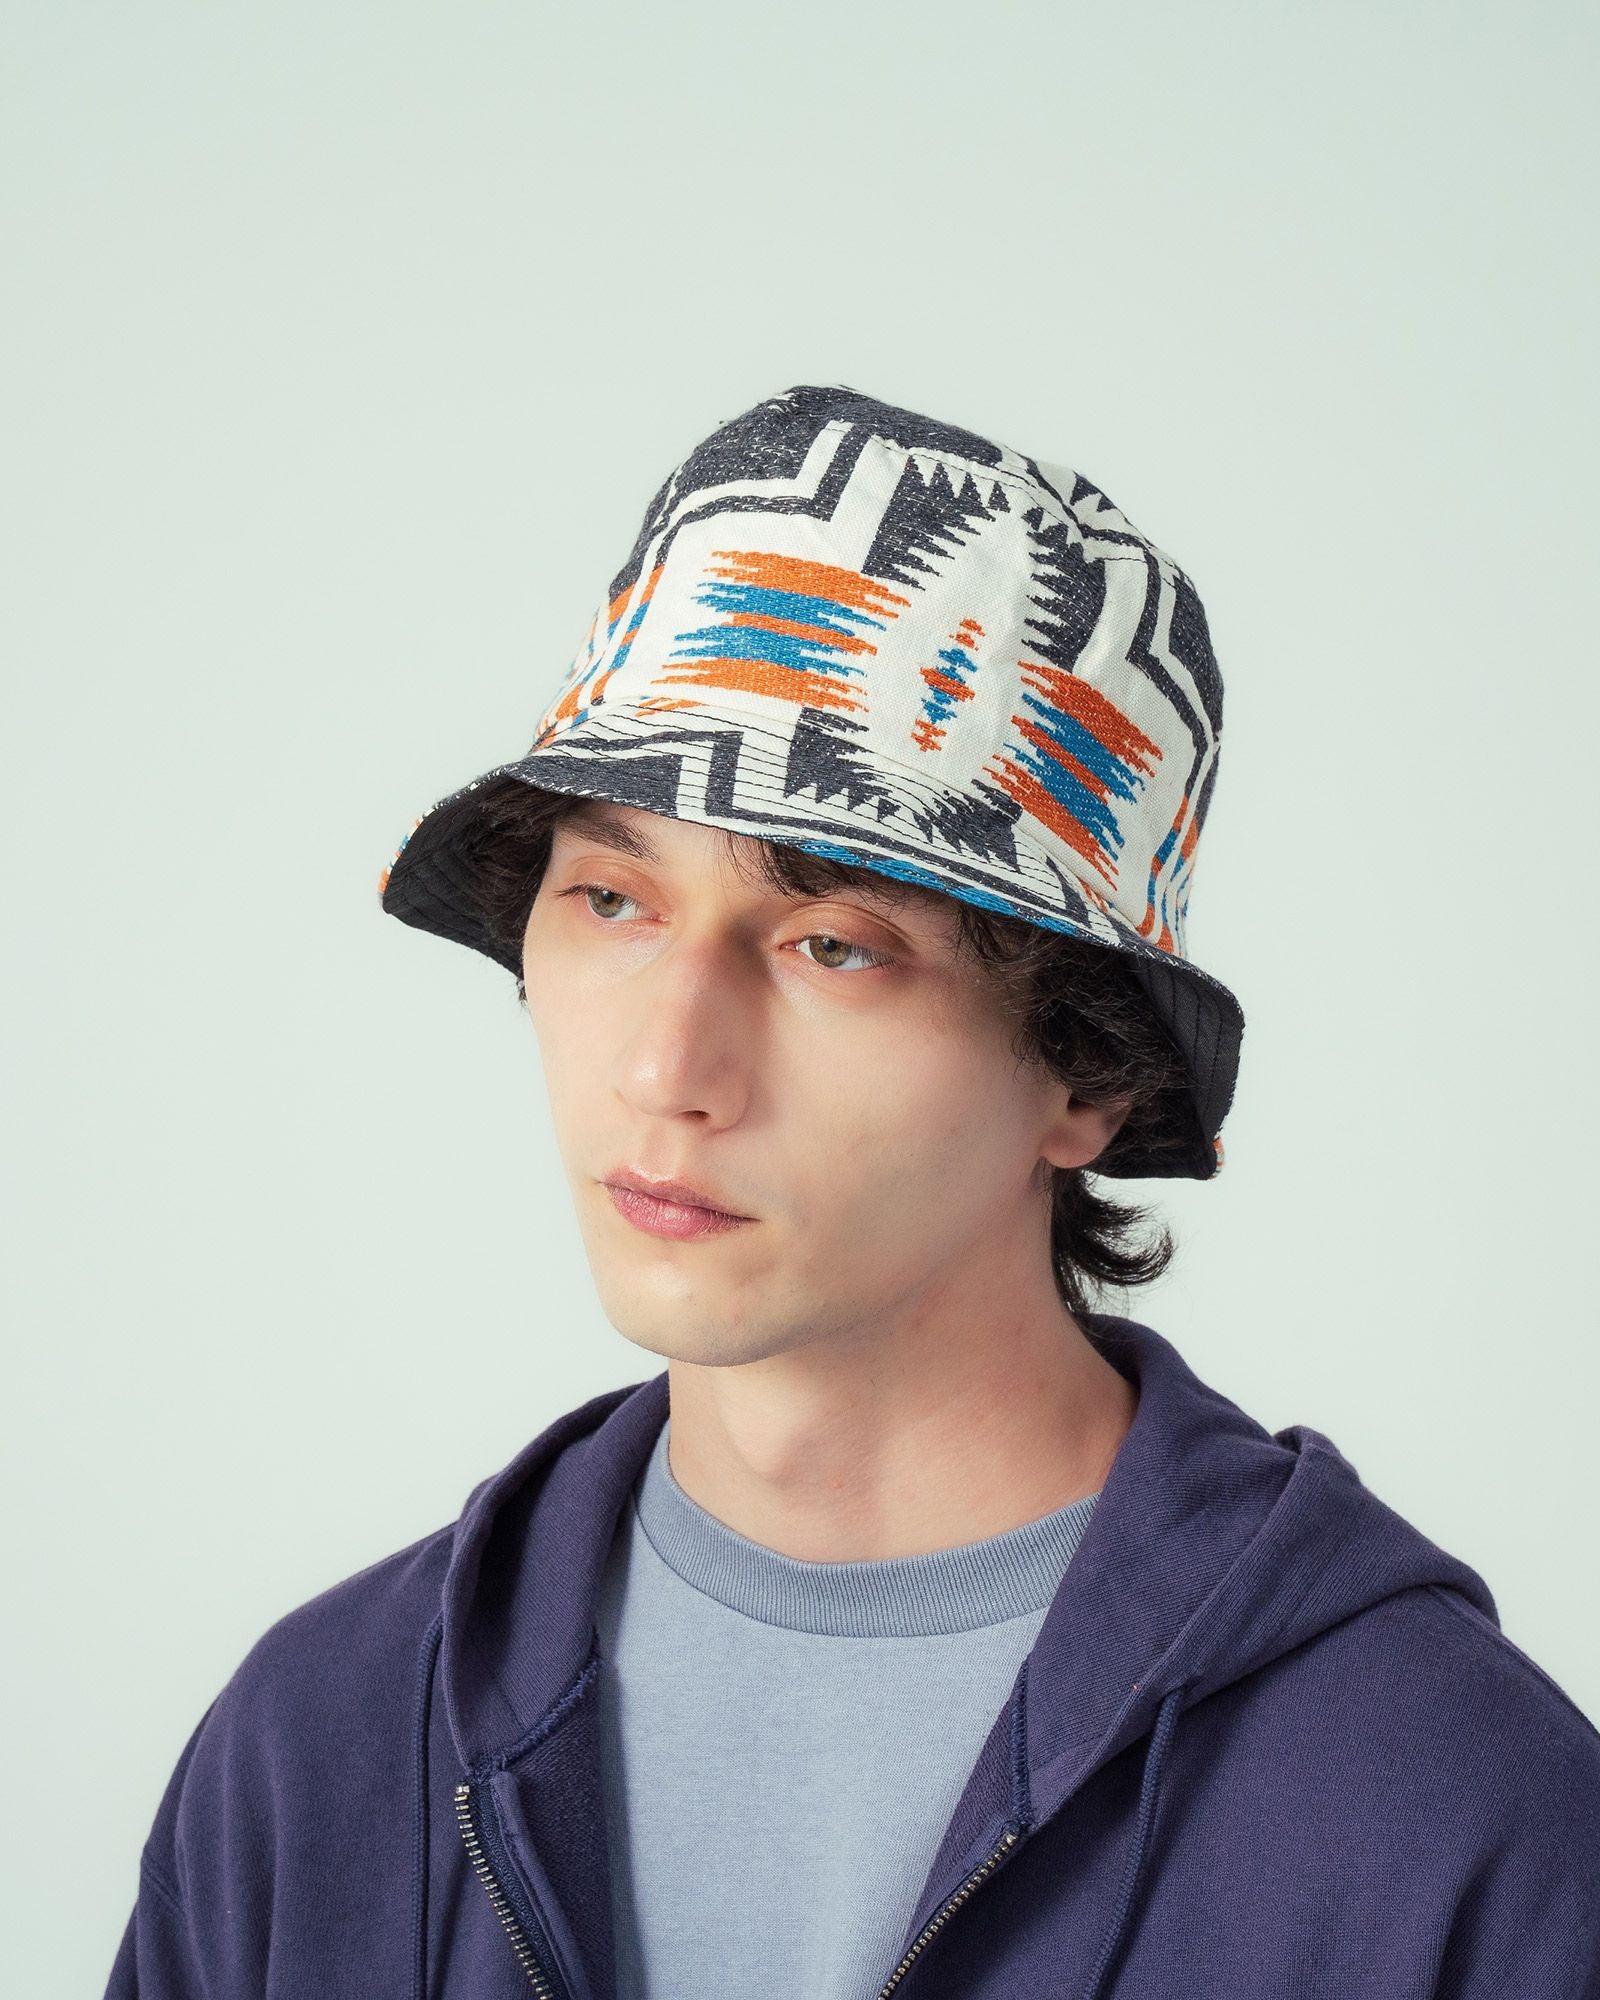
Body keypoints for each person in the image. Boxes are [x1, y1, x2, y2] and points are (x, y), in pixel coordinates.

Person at [107, 385, 1600, 1999]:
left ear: (1085, 1078)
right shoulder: (318, 1753)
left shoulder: (1450, 1819)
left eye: (834, 945)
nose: (668, 1066)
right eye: (611, 899)